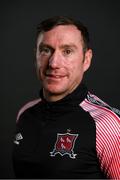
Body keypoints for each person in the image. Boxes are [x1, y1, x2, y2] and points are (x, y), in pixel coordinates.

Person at [12, 16, 120, 179]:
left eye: (67, 51)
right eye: (46, 50)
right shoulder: (25, 113)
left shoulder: (108, 124)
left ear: (87, 59)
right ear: (36, 56)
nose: (54, 63)